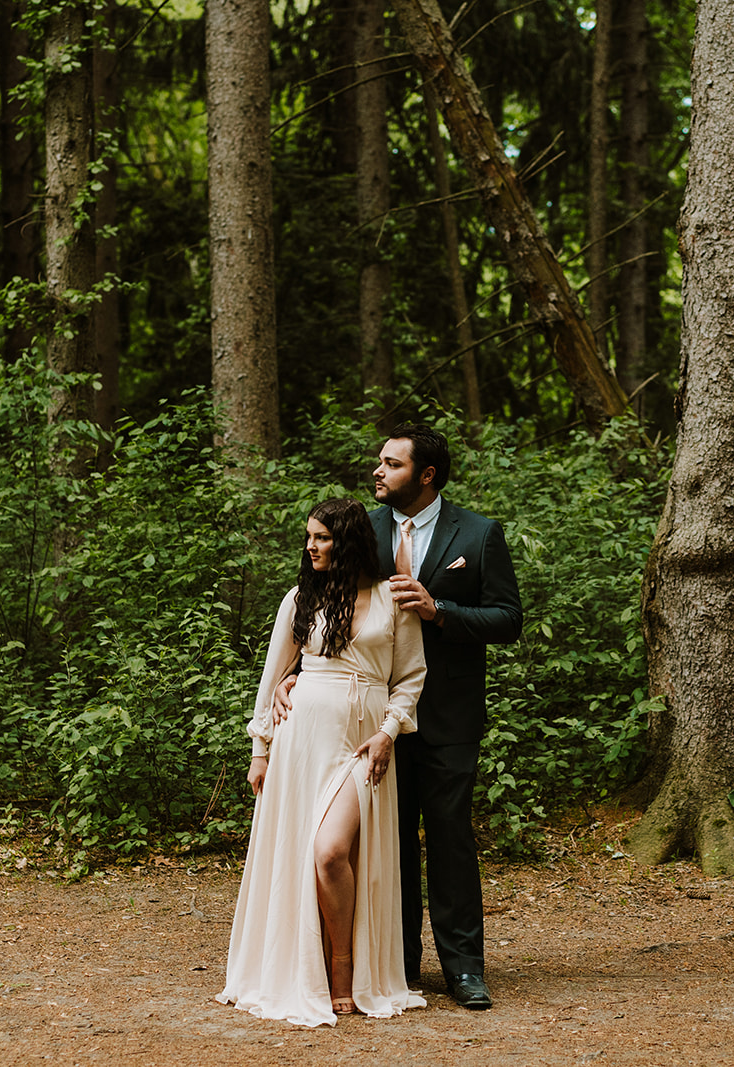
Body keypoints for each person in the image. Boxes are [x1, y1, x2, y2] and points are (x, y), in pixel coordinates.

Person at [277, 424, 521, 1010]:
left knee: (449, 837)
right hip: (366, 726)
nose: (378, 472)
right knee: (383, 844)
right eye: (380, 463)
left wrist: (441, 611)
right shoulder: (365, 528)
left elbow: (509, 620)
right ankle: (397, 962)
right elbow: (325, 602)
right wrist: (299, 672)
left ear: (426, 474)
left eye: (391, 464)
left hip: (447, 716)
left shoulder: (479, 534)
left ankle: (464, 969)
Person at [216, 497, 428, 1027]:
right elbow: (274, 678)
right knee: (311, 854)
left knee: (331, 851)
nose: (311, 545)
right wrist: (259, 748)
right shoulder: (300, 599)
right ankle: (322, 967)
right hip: (301, 740)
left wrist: (386, 734)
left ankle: (346, 966)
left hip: (364, 742)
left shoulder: (391, 599)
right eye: (309, 537)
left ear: (349, 541)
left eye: (322, 538)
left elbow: (410, 679)